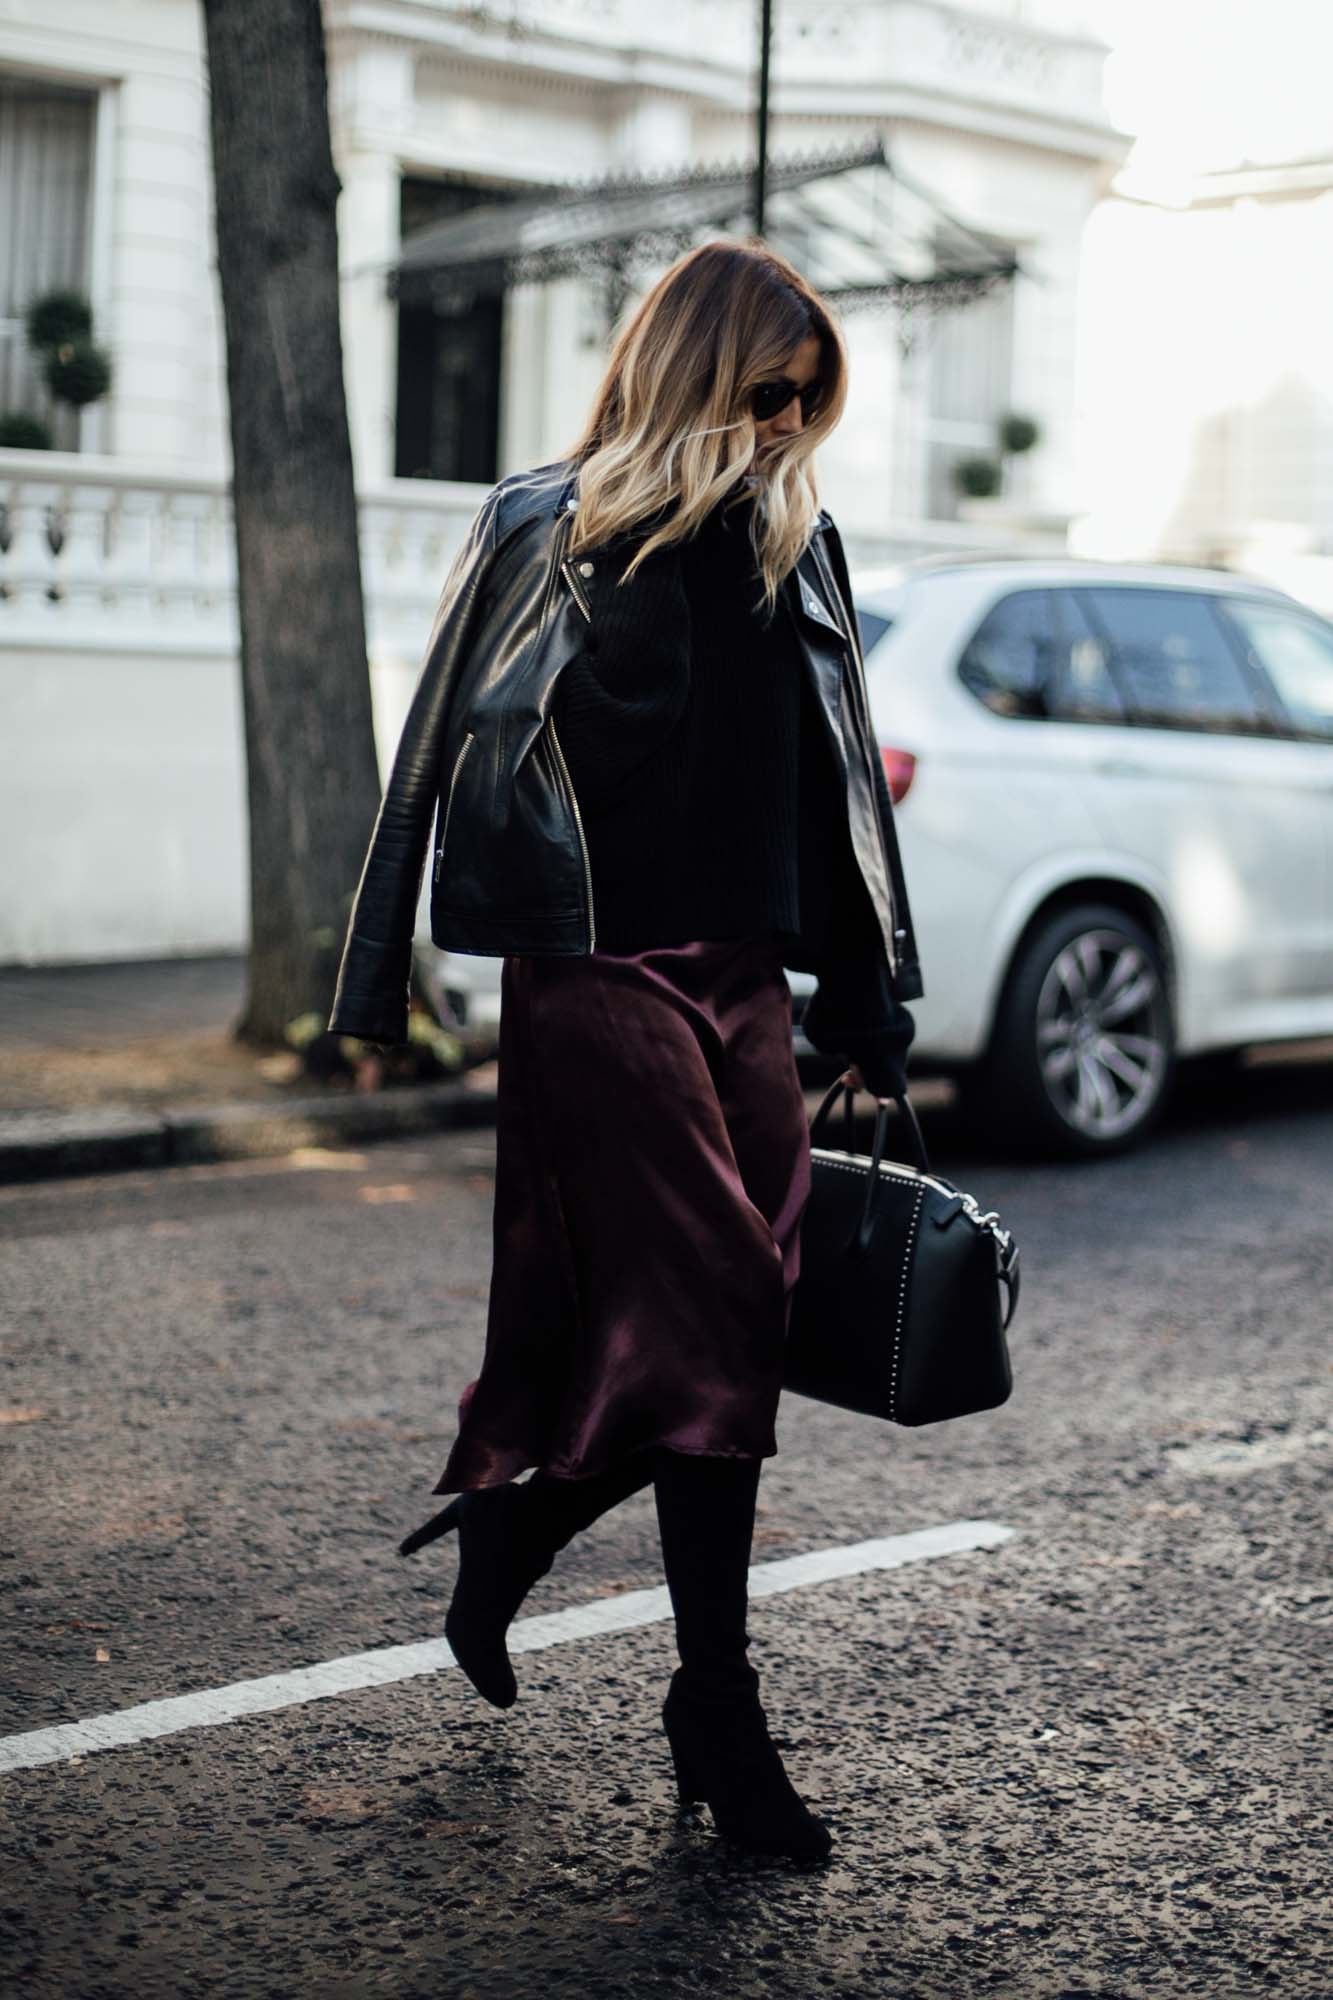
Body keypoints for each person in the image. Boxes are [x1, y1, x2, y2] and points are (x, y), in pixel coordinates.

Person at [329, 239, 922, 1866]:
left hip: (743, 983)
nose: (791, 420)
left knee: (732, 1331)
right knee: (721, 1314)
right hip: (594, 975)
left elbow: (838, 784)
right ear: (698, 368)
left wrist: (872, 993)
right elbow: (434, 748)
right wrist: (375, 982)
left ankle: (520, 1529)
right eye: (770, 387)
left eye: (811, 399)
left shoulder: (803, 546)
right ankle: (718, 1715)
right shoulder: (546, 523)